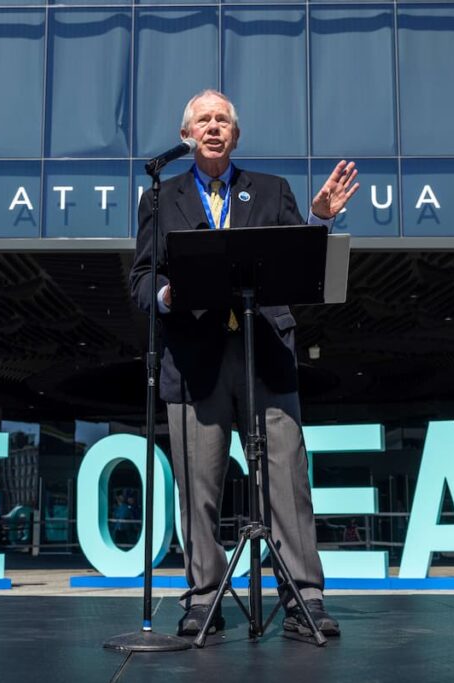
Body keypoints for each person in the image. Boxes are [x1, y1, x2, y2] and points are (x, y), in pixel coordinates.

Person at [129, 90, 359, 638]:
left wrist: (318, 217)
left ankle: (305, 600)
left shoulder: (273, 191)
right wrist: (165, 295)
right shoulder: (161, 199)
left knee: (287, 484)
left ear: (235, 134)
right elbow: (140, 278)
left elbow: (302, 262)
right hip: (193, 362)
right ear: (186, 135)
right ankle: (203, 598)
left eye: (222, 119)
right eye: (203, 119)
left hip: (265, 355)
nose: (213, 126)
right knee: (198, 491)